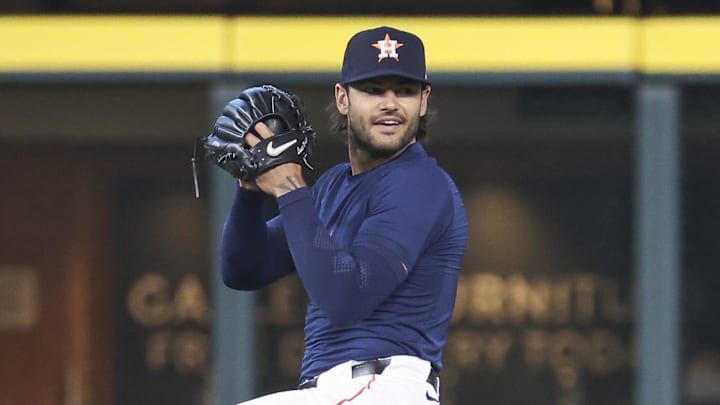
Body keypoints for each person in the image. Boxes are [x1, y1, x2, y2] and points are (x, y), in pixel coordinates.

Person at [219, 26, 468, 404]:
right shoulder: (335, 186)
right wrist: (251, 189)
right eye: (372, 90)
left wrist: (288, 187)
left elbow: (347, 296)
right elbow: (243, 270)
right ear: (342, 98)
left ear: (423, 100)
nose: (390, 103)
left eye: (404, 90)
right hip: (342, 390)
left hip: (385, 386)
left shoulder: (420, 183)